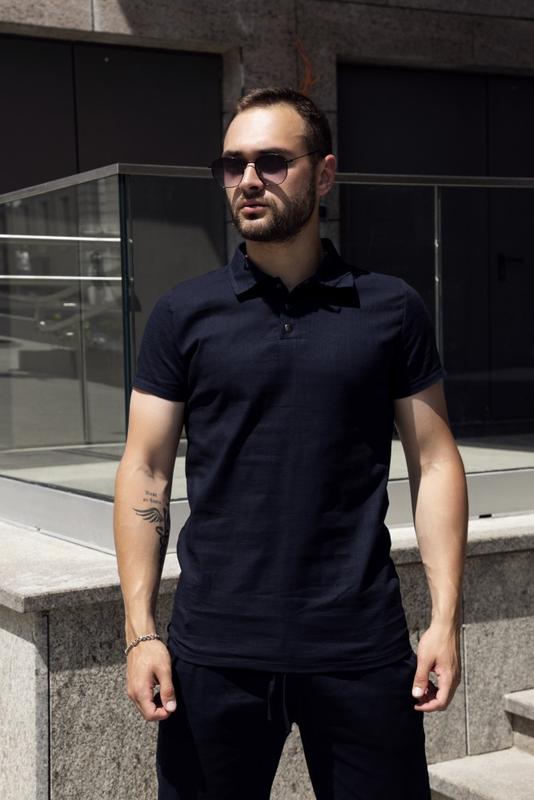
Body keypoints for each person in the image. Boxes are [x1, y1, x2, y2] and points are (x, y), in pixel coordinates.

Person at [113, 86, 468, 800]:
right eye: (233, 164)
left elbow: (434, 463)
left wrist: (445, 620)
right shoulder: (183, 313)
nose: (248, 180)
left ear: (324, 173)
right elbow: (145, 471)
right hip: (214, 652)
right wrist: (141, 631)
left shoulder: (391, 308)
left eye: (272, 161)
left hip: (359, 645)